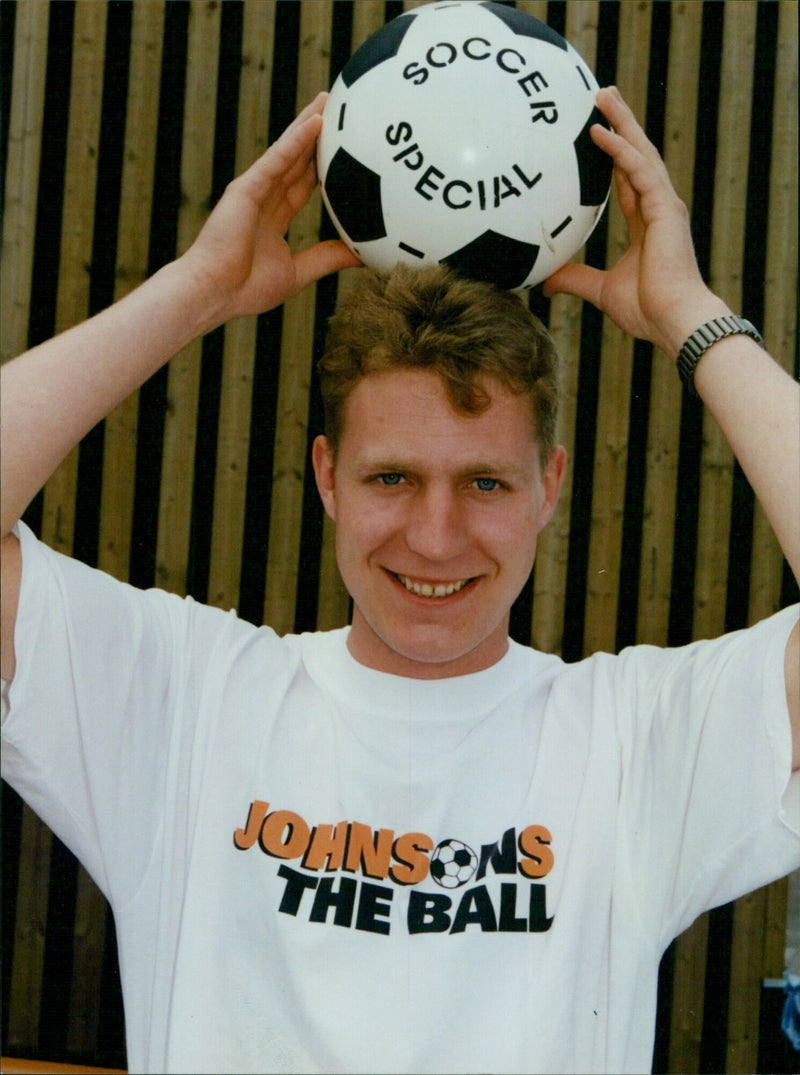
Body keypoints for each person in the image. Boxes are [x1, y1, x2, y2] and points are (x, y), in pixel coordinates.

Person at [1, 85, 797, 1075]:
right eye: (391, 477)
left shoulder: (632, 741)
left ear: (547, 487)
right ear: (328, 475)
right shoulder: (184, 700)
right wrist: (195, 289)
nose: (433, 535)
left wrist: (692, 315)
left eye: (483, 482)